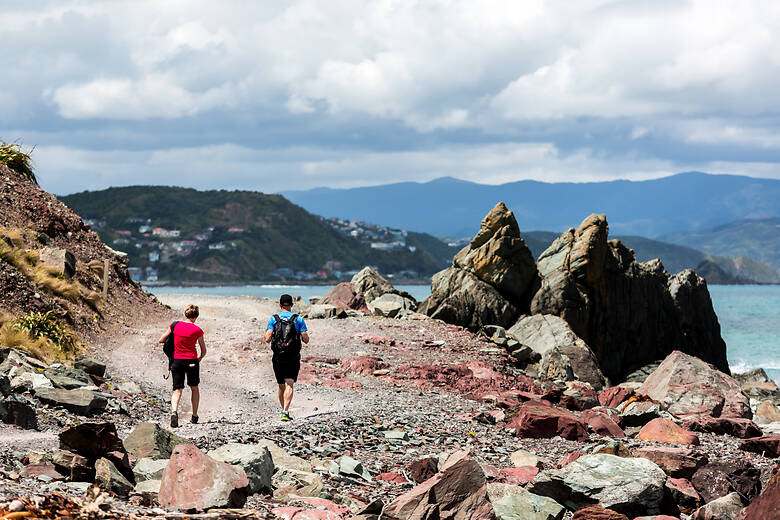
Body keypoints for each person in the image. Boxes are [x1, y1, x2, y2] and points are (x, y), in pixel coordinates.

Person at [157, 304, 206, 427]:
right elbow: (203, 350)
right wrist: (199, 359)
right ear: (196, 316)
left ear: (186, 314)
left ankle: (174, 412)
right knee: (194, 388)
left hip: (177, 361)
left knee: (177, 389)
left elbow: (161, 339)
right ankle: (194, 416)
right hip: (191, 361)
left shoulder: (175, 325)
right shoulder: (198, 330)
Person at [265, 294, 309, 421]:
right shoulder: (298, 319)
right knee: (289, 383)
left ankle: (283, 410)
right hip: (292, 356)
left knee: (281, 385)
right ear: (292, 305)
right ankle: (285, 411)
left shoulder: (274, 319)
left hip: (278, 356)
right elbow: (305, 339)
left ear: (280, 305)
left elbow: (267, 339)